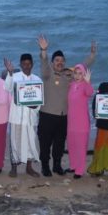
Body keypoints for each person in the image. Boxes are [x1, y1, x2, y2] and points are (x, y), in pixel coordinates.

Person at [37, 35, 96, 177]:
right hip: (47, 115)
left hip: (64, 117)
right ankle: (45, 166)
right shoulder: (47, 73)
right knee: (45, 144)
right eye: (57, 60)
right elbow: (44, 63)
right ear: (52, 62)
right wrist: (44, 50)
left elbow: (81, 68)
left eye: (62, 61)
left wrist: (92, 55)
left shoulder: (69, 75)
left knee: (59, 144)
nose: (60, 63)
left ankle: (57, 165)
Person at [3, 55, 41, 178]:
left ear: (32, 64)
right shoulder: (14, 77)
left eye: (29, 63)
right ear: (20, 65)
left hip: (31, 118)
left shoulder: (37, 80)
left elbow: (40, 100)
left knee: (31, 143)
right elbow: (7, 88)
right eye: (24, 64)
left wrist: (36, 107)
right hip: (16, 117)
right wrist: (9, 72)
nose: (26, 66)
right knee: (15, 142)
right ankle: (14, 168)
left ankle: (29, 167)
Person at [67, 64, 93, 179]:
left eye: (80, 73)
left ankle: (79, 170)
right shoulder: (71, 85)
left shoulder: (85, 86)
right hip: (71, 121)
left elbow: (90, 93)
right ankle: (73, 166)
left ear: (84, 74)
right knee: (72, 145)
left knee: (81, 146)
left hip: (82, 122)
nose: (77, 76)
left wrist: (88, 82)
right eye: (76, 73)